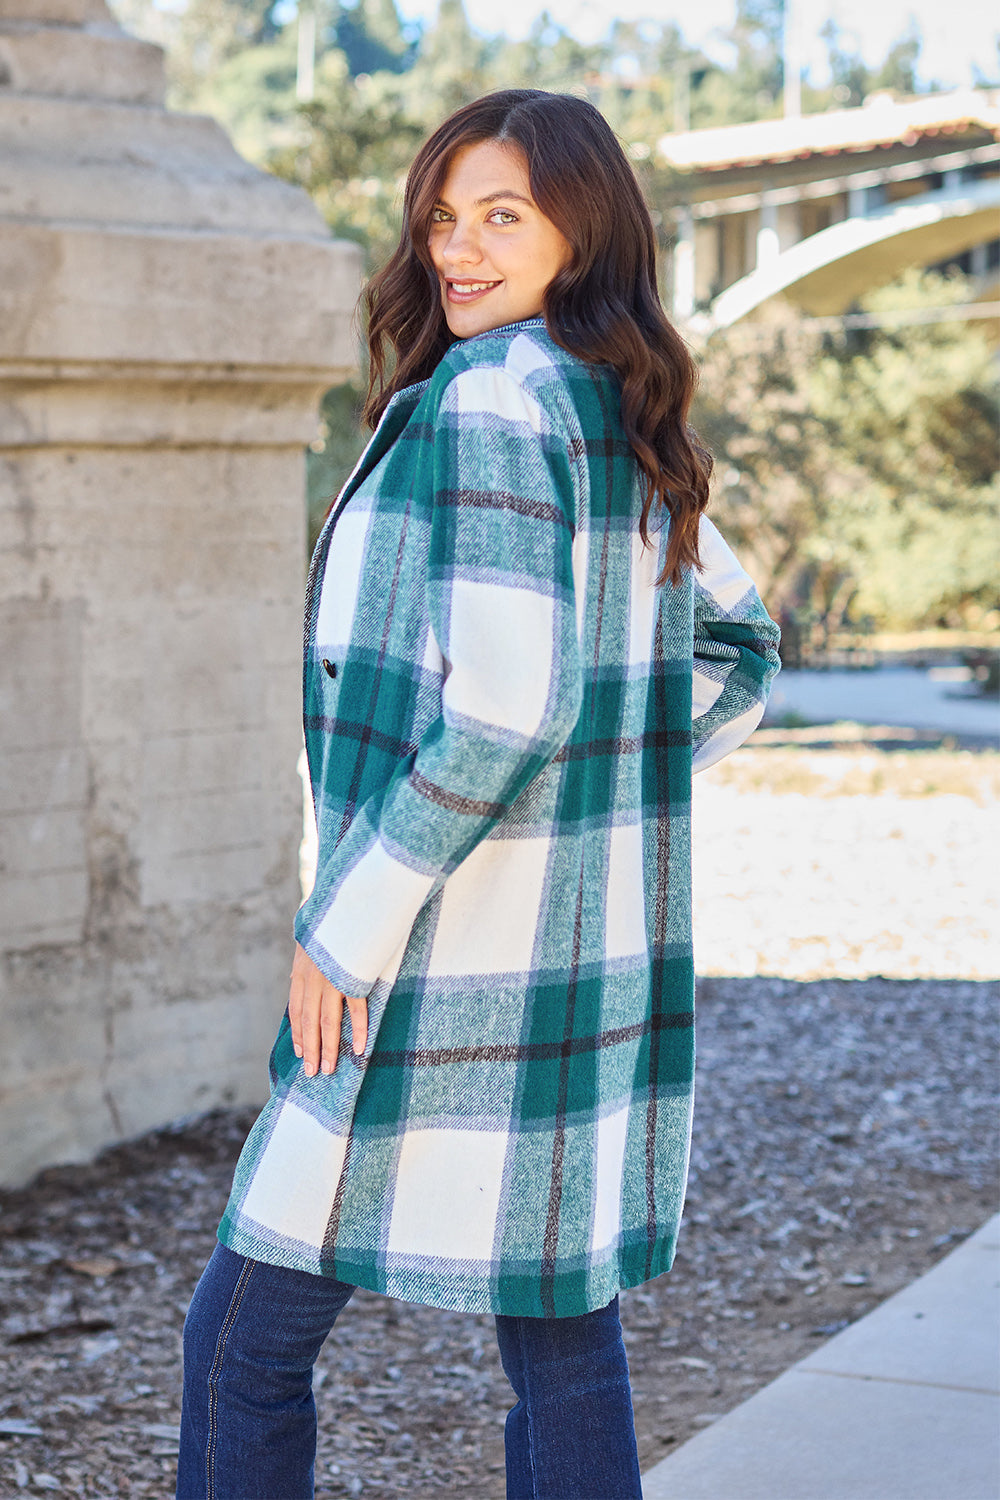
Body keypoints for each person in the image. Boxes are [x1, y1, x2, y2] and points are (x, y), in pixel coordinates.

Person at [176, 88, 780, 1500]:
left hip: (425, 957)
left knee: (238, 1345)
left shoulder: (499, 403)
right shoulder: (612, 404)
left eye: (503, 214)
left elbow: (506, 705)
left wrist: (350, 927)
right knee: (561, 1347)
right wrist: (594, 804)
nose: (460, 247)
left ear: (584, 227)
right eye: (444, 216)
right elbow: (739, 654)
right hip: (567, 970)